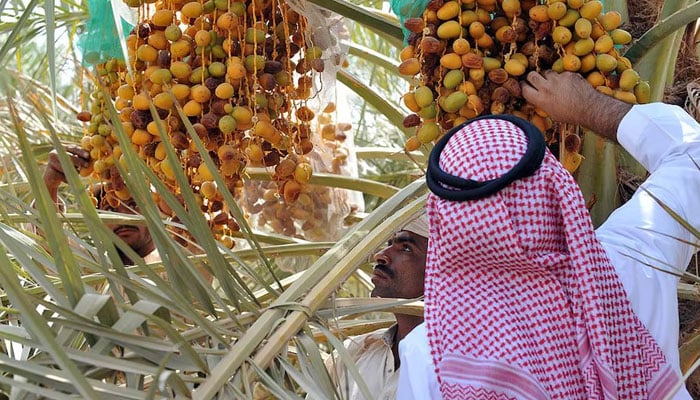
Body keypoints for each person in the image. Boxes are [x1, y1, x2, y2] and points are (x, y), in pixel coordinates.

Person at [397, 70, 699, 399]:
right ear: (555, 187)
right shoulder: (632, 262)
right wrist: (588, 106)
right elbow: (693, 159)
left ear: (445, 220)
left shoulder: (431, 356)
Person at [325, 212, 428, 400]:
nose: (380, 255)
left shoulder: (456, 370)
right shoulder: (352, 353)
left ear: (439, 269)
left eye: (405, 248)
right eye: (389, 244)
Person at [42, 144, 158, 265]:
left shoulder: (175, 262)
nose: (122, 218)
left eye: (133, 205)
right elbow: (49, 240)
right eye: (109, 210)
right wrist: (49, 186)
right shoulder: (93, 269)